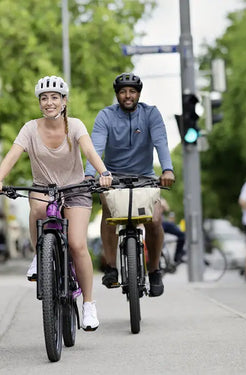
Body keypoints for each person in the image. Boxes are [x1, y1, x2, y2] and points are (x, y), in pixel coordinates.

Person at [0, 75, 113, 331]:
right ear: (39, 103)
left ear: (64, 101)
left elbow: (89, 150)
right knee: (37, 205)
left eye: (55, 97)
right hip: (44, 188)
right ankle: (40, 256)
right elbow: (13, 155)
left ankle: (89, 304)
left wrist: (103, 173)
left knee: (78, 244)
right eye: (44, 98)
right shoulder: (30, 129)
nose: (49, 102)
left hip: (75, 189)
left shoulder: (75, 125)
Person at [84, 72, 175, 297]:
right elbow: (95, 147)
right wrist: (89, 175)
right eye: (123, 92)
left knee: (154, 220)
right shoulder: (105, 116)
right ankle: (112, 267)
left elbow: (161, 142)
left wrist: (167, 169)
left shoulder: (151, 114)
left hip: (145, 176)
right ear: (117, 95)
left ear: (138, 94)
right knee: (108, 211)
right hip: (112, 177)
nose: (127, 96)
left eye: (132, 92)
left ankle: (154, 270)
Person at [160, 198, 186, 265]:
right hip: (159, 223)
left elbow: (166, 208)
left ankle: (178, 255)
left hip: (161, 223)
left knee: (181, 235)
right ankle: (177, 256)